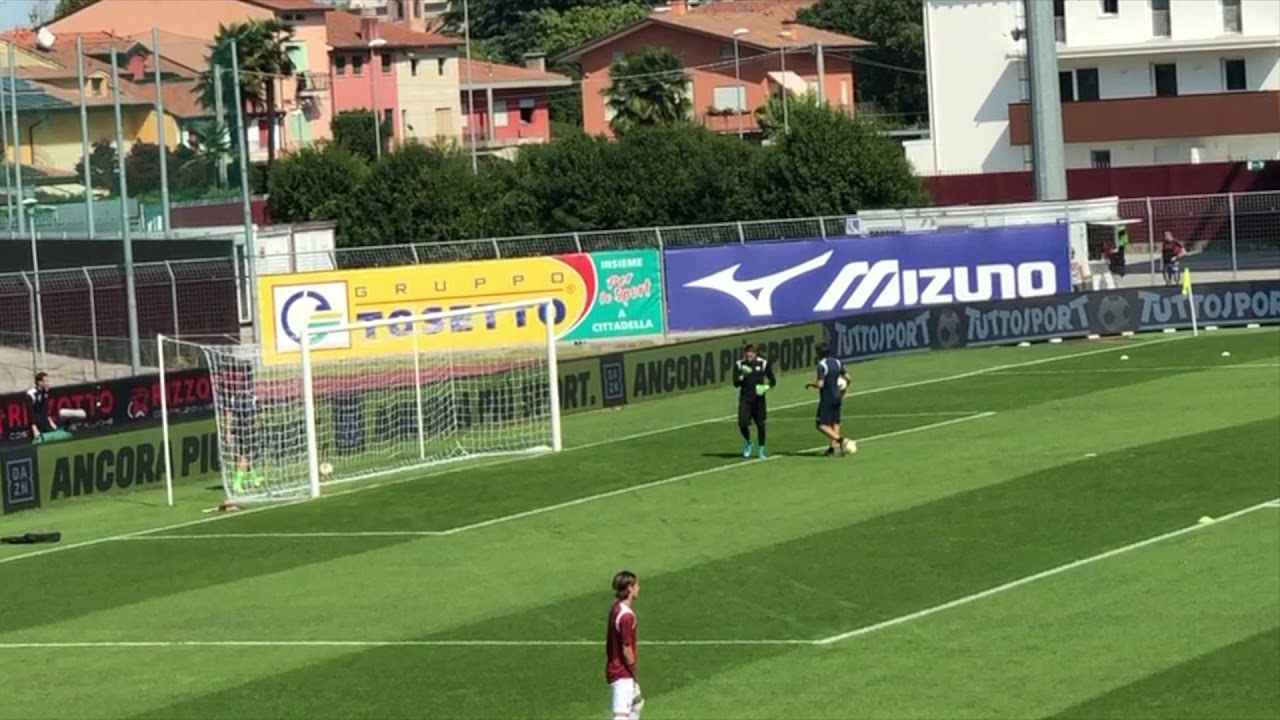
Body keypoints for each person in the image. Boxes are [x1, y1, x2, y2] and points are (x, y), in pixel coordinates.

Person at [805, 343, 854, 457]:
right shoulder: (837, 362)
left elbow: (820, 384)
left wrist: (811, 384)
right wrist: (845, 391)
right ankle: (833, 449)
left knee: (820, 425)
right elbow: (848, 378)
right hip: (837, 397)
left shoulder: (822, 365)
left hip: (827, 398)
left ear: (819, 353)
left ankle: (841, 441)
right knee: (835, 422)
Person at [606, 571, 642, 720]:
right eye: (636, 585)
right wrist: (633, 669)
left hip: (618, 669)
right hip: (622, 672)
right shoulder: (626, 616)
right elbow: (626, 648)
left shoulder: (616, 607)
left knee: (637, 703)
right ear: (629, 588)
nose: (639, 588)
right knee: (621, 715)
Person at [732, 344, 777, 459]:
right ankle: (748, 442)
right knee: (742, 423)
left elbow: (773, 381)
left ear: (755, 354)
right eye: (747, 356)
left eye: (751, 356)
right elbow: (735, 384)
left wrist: (765, 388)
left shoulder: (763, 364)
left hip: (759, 400)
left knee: (761, 425)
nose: (749, 358)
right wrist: (742, 376)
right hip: (745, 399)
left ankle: (761, 449)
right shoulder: (739, 365)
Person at [27, 372, 72, 444]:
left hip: (44, 421)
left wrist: (51, 423)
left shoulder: (45, 392)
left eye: (48, 381)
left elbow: (45, 410)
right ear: (39, 382)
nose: (47, 383)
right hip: (36, 423)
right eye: (45, 381)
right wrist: (34, 428)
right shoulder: (31, 394)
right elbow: (31, 413)